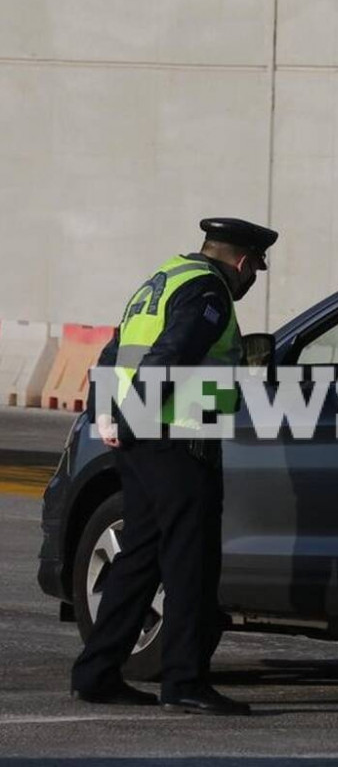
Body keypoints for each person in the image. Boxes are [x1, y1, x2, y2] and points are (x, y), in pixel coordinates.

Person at [70, 217, 278, 716]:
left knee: (140, 556)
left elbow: (114, 351)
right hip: (177, 440)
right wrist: (134, 417)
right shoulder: (208, 291)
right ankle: (185, 680)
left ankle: (97, 672)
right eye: (254, 270)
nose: (251, 280)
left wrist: (107, 415)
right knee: (191, 561)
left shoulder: (162, 279)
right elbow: (172, 355)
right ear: (242, 262)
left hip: (141, 441)